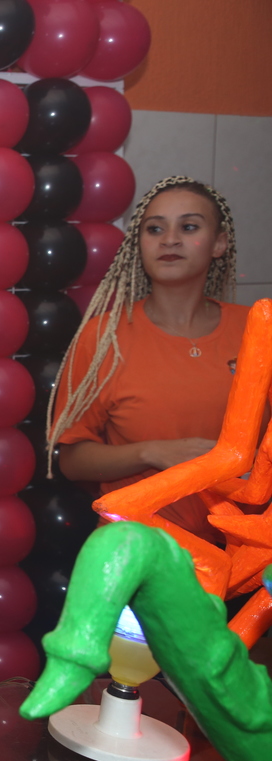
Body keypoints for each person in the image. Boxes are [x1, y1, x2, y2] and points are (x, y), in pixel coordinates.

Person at [47, 176, 246, 544]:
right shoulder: (103, 337)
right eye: (155, 229)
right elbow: (71, 462)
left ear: (219, 243)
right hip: (138, 549)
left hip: (243, 549)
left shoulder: (256, 329)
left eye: (189, 227)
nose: (169, 240)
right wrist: (152, 453)